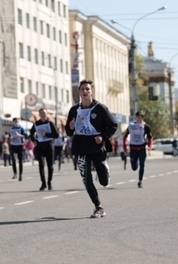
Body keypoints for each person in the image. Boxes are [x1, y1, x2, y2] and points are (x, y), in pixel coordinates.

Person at [65, 80, 117, 218]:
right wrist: (70, 127)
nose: (85, 91)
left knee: (104, 181)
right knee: (86, 178)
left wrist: (103, 136)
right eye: (82, 89)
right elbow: (69, 132)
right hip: (81, 147)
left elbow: (113, 125)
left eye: (87, 89)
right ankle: (98, 206)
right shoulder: (74, 110)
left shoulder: (100, 108)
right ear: (79, 92)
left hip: (97, 146)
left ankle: (104, 169)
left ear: (91, 91)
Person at [29, 108, 59, 190]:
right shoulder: (36, 124)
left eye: (44, 113)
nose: (43, 114)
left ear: (47, 114)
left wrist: (46, 134)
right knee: (41, 165)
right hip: (40, 146)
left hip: (49, 146)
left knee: (50, 166)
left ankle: (49, 182)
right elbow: (31, 133)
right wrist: (33, 140)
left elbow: (56, 135)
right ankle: (43, 183)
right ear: (39, 114)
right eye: (41, 113)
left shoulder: (50, 123)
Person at [123, 111, 153, 188]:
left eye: (140, 117)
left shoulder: (146, 126)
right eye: (137, 117)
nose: (138, 119)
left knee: (142, 165)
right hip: (133, 148)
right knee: (134, 167)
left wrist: (149, 148)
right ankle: (135, 163)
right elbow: (125, 136)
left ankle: (140, 181)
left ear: (143, 118)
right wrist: (125, 148)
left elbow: (150, 138)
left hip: (142, 148)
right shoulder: (131, 125)